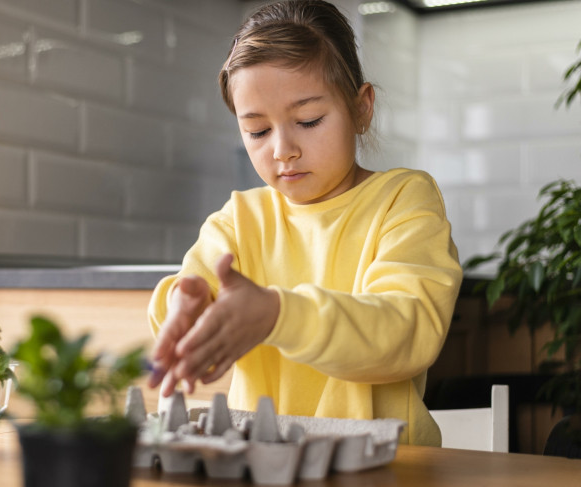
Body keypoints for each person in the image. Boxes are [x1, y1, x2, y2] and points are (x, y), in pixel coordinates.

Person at [146, 0, 462, 447]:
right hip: (261, 463)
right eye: (257, 130)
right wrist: (185, 307)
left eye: (308, 120)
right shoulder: (241, 218)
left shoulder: (403, 200)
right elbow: (191, 292)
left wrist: (278, 315)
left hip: (386, 467)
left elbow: (407, 332)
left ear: (361, 108)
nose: (282, 149)